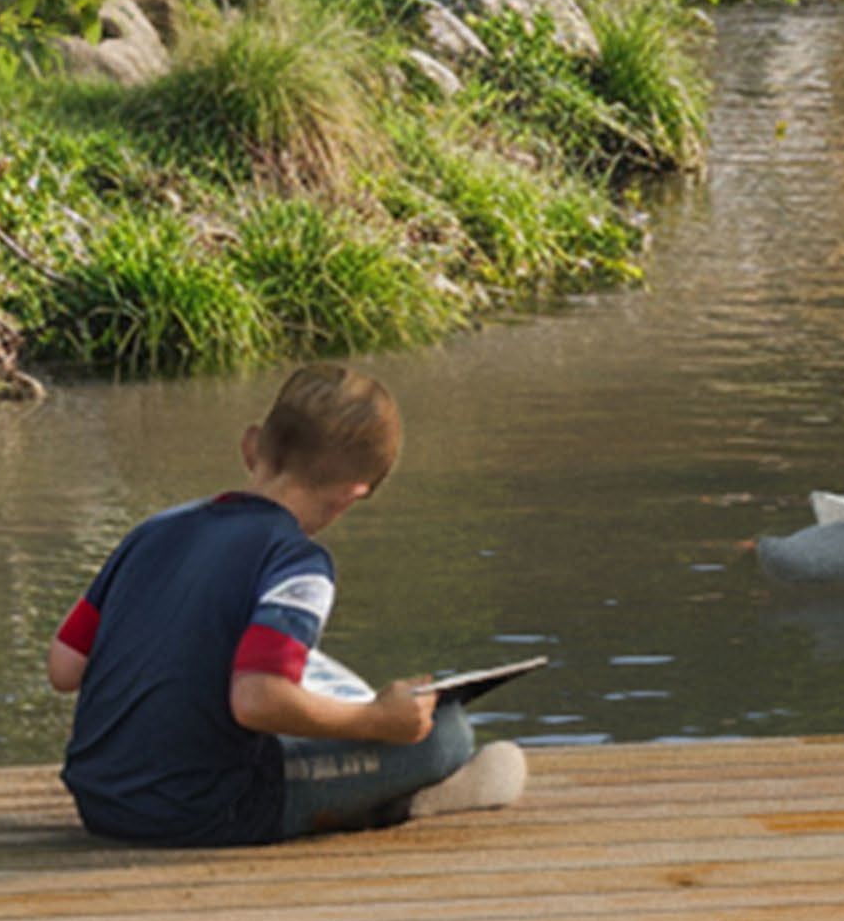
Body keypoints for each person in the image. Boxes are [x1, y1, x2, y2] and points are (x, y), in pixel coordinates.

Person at [54, 362, 531, 851]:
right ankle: (408, 804)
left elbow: (65, 667)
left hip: (100, 802)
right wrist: (377, 721)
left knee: (287, 670)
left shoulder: (153, 531)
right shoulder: (297, 564)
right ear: (352, 495)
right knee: (445, 734)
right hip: (203, 810)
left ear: (251, 446)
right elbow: (257, 699)